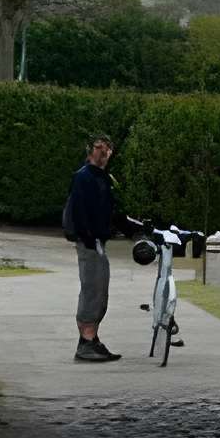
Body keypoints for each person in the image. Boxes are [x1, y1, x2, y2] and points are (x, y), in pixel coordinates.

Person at [63, 133, 124, 363]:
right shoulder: (83, 177)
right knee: (92, 287)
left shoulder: (103, 178)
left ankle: (92, 338)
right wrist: (88, 237)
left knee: (100, 289)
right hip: (89, 242)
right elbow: (78, 210)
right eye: (99, 148)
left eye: (107, 149)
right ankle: (86, 342)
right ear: (90, 151)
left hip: (99, 241)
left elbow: (109, 210)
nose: (104, 153)